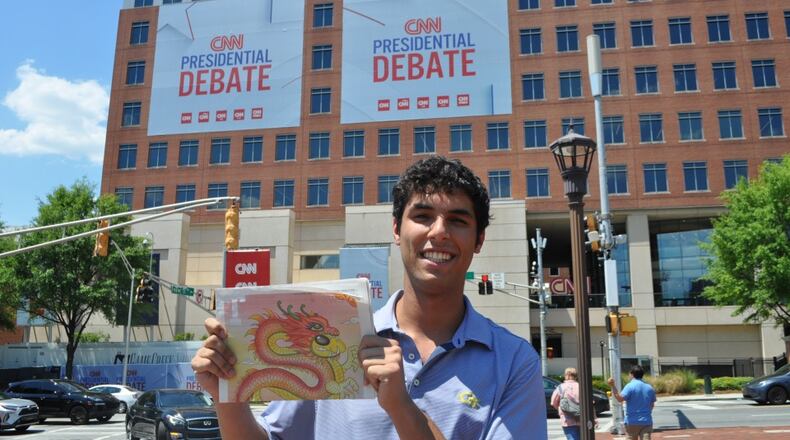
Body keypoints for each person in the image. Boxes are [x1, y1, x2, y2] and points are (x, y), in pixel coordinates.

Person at [191, 156, 546, 439]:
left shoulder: (515, 362)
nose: (438, 232)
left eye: (457, 220)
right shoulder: (333, 339)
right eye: (422, 216)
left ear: (479, 240)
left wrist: (401, 407)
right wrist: (228, 396)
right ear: (396, 229)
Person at [608, 365, 657, 440]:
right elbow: (652, 405)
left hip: (631, 421)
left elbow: (620, 398)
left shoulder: (630, 386)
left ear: (632, 374)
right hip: (646, 421)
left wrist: (613, 386)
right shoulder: (649, 388)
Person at [550, 367, 581, 440]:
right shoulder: (581, 386)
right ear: (576, 376)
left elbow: (553, 403)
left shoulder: (561, 387)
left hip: (567, 419)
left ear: (566, 375)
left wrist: (560, 408)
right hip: (582, 418)